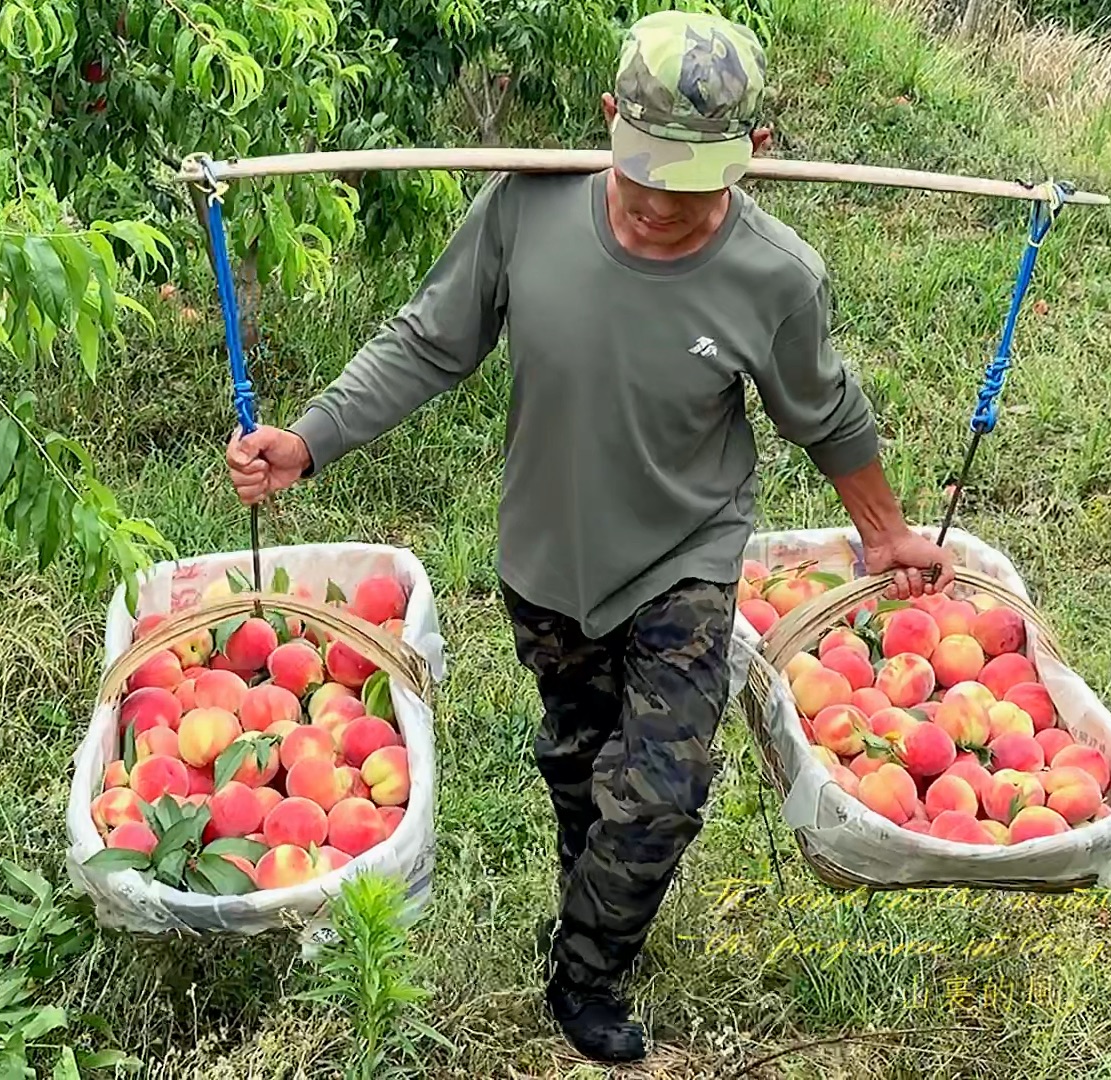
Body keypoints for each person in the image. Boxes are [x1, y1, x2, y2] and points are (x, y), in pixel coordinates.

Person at [225, 9, 954, 1064]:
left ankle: (587, 972)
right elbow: (430, 339)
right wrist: (309, 438)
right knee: (579, 768)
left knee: (656, 791)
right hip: (545, 559)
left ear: (752, 155)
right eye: (643, 171)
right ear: (608, 120)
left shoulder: (774, 276)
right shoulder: (528, 207)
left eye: (691, 182)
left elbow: (824, 411)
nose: (660, 205)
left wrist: (882, 535)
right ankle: (591, 901)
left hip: (685, 556)